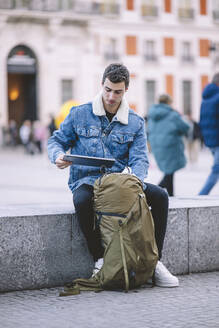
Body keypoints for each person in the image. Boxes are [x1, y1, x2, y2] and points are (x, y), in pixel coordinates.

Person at [48, 63, 179, 287]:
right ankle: (99, 258)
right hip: (86, 180)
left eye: (117, 92)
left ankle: (154, 261)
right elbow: (56, 140)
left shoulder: (136, 122)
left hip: (121, 183)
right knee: (81, 200)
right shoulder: (79, 113)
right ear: (102, 85)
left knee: (160, 196)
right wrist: (58, 156)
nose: (111, 96)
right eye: (108, 89)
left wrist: (134, 182)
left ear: (125, 90)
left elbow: (140, 159)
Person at [147, 94, 190, 196]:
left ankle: (170, 195)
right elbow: (185, 127)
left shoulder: (152, 114)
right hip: (171, 146)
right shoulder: (172, 114)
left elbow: (148, 130)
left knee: (169, 172)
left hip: (157, 146)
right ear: (169, 102)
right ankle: (153, 193)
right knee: (169, 172)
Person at [199, 73, 219, 195]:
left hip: (210, 140)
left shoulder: (205, 99)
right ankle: (201, 194)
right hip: (217, 139)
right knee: (216, 169)